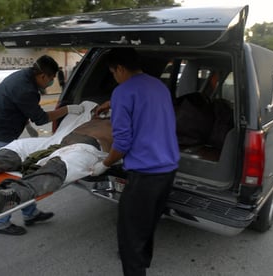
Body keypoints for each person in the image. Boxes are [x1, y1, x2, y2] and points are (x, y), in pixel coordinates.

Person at [91, 48, 180, 276]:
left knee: (129, 235)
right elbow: (141, 99)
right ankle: (145, 259)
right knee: (147, 223)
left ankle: (136, 267)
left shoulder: (123, 92)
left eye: (113, 73)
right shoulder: (158, 86)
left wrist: (105, 164)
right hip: (168, 170)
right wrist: (111, 103)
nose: (114, 77)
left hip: (144, 176)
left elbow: (122, 143)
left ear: (119, 69)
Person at [0, 55, 84, 235]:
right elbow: (41, 119)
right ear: (42, 76)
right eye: (51, 79)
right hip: (0, 136)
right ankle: (1, 223)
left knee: (23, 174)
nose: (51, 83)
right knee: (7, 180)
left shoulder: (24, 77)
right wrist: (67, 110)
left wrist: (26, 124)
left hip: (2, 129)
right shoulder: (25, 88)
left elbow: (20, 107)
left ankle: (30, 214)